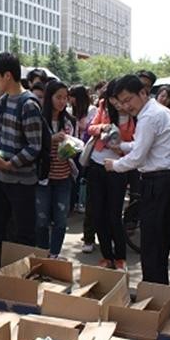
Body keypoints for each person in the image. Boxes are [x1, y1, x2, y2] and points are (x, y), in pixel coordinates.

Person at [104, 75, 170, 284]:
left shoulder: (149, 116)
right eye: (122, 102)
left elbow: (138, 157)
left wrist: (115, 165)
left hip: (160, 184)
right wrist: (122, 146)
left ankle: (154, 295)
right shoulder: (157, 112)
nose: (126, 106)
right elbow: (143, 145)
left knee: (152, 250)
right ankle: (159, 293)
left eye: (128, 99)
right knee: (158, 250)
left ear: (142, 93)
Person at [0, 52, 43, 246]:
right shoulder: (3, 101)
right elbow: (1, 138)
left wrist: (8, 164)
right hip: (1, 179)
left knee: (23, 234)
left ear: (7, 76)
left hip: (22, 182)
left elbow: (34, 146)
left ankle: (23, 267)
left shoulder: (29, 104)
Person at [87, 80, 135, 269]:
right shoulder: (103, 107)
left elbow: (136, 144)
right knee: (98, 213)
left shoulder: (134, 114)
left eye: (119, 99)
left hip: (118, 167)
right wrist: (102, 128)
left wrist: (120, 148)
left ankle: (120, 257)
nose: (116, 103)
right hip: (97, 165)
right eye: (113, 99)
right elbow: (90, 128)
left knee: (114, 215)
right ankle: (106, 256)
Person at [36, 80, 76, 258]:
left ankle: (54, 255)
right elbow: (33, 145)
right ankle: (43, 254)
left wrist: (71, 149)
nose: (62, 101)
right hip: (43, 177)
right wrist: (51, 139)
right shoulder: (39, 119)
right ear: (49, 97)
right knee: (41, 220)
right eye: (58, 97)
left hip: (63, 177)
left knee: (60, 221)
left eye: (65, 98)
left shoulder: (69, 121)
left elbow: (73, 148)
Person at [69, 84, 98, 252]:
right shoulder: (71, 110)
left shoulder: (92, 110)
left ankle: (80, 202)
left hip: (86, 151)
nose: (70, 99)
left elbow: (89, 130)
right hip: (72, 148)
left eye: (72, 96)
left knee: (82, 178)